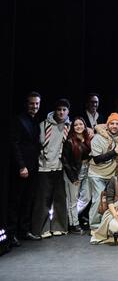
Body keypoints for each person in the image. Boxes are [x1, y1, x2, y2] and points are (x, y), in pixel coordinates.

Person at [32, 98, 71, 239]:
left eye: (64, 110)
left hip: (60, 167)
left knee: (60, 199)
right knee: (43, 200)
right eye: (59, 110)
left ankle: (59, 227)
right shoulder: (44, 125)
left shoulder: (69, 126)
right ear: (55, 111)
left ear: (68, 111)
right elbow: (37, 143)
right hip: (44, 166)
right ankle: (42, 228)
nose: (61, 112)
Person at [9, 92, 42, 244]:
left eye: (37, 103)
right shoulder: (18, 120)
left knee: (28, 200)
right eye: (32, 103)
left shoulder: (37, 120)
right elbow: (14, 144)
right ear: (26, 104)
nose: (34, 106)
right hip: (22, 167)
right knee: (16, 201)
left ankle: (24, 231)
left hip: (34, 166)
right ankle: (11, 234)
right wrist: (21, 166)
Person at [87, 113, 118, 231]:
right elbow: (97, 159)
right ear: (107, 125)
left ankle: (107, 224)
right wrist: (115, 152)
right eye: (112, 123)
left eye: (117, 123)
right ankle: (94, 226)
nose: (114, 126)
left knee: (112, 200)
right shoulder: (98, 138)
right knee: (99, 198)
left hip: (112, 174)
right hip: (97, 173)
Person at [61, 116, 92, 233]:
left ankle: (70, 217)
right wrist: (73, 177)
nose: (78, 126)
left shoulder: (87, 138)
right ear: (72, 127)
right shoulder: (69, 141)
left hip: (86, 170)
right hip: (74, 172)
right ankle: (73, 224)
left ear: (84, 126)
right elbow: (65, 161)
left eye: (81, 124)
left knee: (86, 197)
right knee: (72, 200)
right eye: (76, 125)